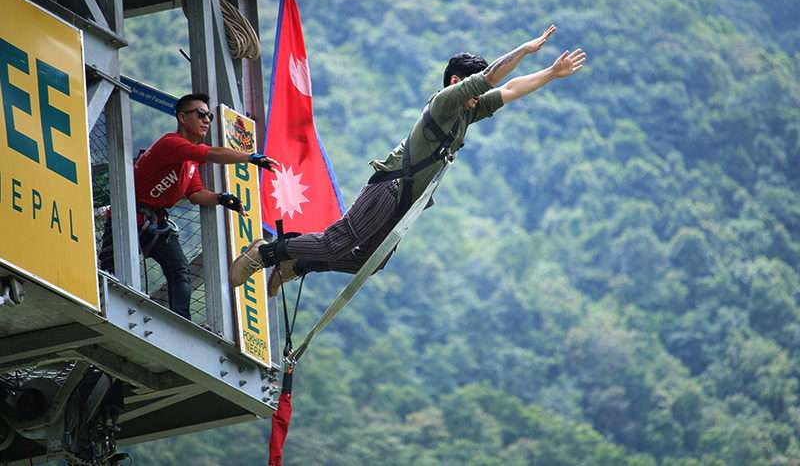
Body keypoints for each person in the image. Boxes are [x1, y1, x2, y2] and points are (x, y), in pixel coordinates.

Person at [229, 25, 586, 295]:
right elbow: (493, 77)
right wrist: (525, 49)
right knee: (336, 241)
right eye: (476, 88)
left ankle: (296, 266)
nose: (481, 95)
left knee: (370, 261)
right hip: (391, 186)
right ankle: (264, 253)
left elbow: (508, 89)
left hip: (406, 203)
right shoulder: (446, 102)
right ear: (458, 82)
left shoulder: (468, 112)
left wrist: (551, 73)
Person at [99, 93, 277, 320]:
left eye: (210, 116)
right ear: (182, 118)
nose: (206, 120)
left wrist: (221, 198)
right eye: (201, 114)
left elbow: (195, 193)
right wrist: (250, 158)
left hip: (154, 223)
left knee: (180, 270)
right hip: (126, 218)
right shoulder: (171, 144)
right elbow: (212, 153)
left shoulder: (190, 161)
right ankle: (105, 308)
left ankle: (180, 321)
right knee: (111, 271)